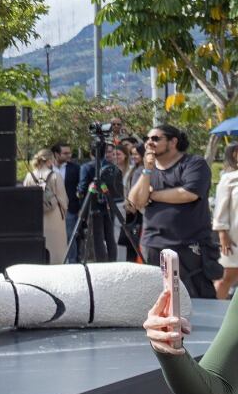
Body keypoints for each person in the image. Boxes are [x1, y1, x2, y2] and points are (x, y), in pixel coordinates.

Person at [128, 122, 216, 299]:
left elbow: (188, 194)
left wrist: (153, 196)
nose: (149, 143)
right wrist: (147, 170)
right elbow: (136, 202)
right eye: (147, 139)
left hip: (189, 245)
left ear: (173, 141)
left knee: (194, 299)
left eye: (155, 138)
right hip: (152, 244)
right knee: (156, 299)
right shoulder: (143, 171)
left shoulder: (194, 163)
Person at [75, 144, 123, 259]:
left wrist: (78, 195)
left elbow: (82, 189)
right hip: (110, 204)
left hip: (93, 206)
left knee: (97, 238)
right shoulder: (112, 166)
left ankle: (100, 262)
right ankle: (112, 260)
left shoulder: (86, 167)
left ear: (91, 153)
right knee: (110, 237)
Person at [23, 149, 69, 264]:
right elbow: (63, 198)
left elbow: (25, 196)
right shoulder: (55, 176)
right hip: (55, 216)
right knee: (56, 247)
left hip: (36, 215)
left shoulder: (29, 176)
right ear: (49, 160)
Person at [213, 143, 238, 299]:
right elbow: (220, 209)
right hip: (233, 238)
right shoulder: (228, 178)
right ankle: (215, 316)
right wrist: (222, 234)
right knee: (225, 278)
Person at [52, 144, 82, 263]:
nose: (69, 155)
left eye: (70, 153)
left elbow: (80, 188)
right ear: (56, 154)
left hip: (70, 208)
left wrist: (80, 207)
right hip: (52, 209)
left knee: (70, 235)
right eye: (65, 153)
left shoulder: (75, 168)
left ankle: (72, 261)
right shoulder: (48, 169)